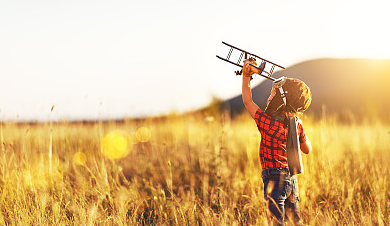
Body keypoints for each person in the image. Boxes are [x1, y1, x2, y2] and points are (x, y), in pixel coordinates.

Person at [241, 60, 312, 226]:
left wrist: (246, 77)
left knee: (275, 221)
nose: (269, 97)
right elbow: (307, 149)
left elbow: (248, 102)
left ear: (281, 100)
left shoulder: (269, 123)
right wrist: (301, 133)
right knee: (295, 221)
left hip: (273, 178)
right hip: (291, 179)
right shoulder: (297, 124)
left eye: (273, 94)